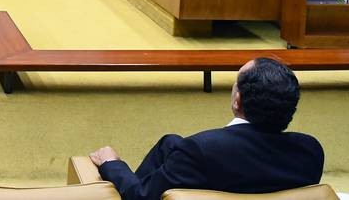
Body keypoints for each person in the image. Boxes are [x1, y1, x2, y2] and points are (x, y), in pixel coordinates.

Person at [89, 57, 324, 200]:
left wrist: (113, 164)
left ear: (237, 101)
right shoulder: (310, 151)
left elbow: (141, 197)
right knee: (169, 143)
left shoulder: (202, 150)